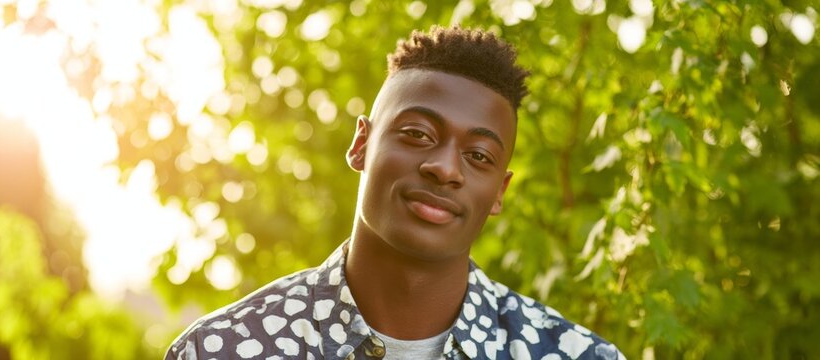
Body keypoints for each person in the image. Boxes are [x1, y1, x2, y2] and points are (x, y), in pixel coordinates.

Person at [165, 25, 624, 360]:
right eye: (418, 134)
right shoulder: (220, 350)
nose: (445, 169)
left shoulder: (577, 356)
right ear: (361, 144)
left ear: (499, 192)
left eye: (479, 156)